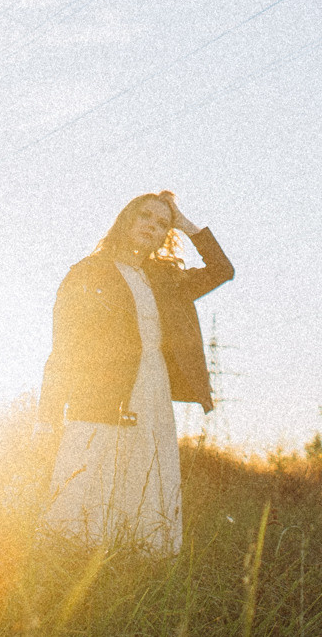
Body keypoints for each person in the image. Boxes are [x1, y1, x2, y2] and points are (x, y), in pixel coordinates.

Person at [36, 190, 233, 555]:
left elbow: (223, 271)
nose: (153, 227)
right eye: (146, 217)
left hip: (152, 389)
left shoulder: (165, 279)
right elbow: (64, 347)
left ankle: (139, 564)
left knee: (145, 478)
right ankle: (73, 566)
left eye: (162, 224)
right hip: (102, 391)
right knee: (90, 477)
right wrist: (47, 415)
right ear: (126, 219)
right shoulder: (87, 272)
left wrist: (186, 224)